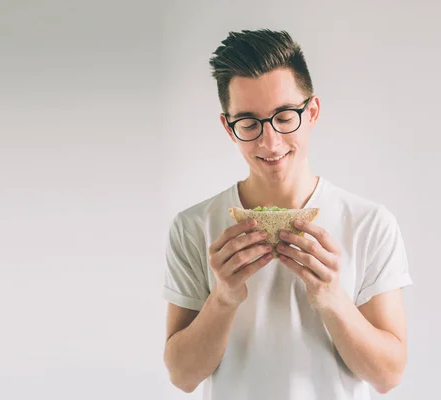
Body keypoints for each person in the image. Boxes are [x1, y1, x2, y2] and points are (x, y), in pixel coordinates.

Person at [162, 29, 413, 400]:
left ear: (312, 112)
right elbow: (182, 376)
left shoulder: (370, 224)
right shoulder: (193, 227)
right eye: (248, 122)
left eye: (284, 116)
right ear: (228, 127)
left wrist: (332, 297)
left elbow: (388, 375)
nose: (270, 141)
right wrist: (224, 297)